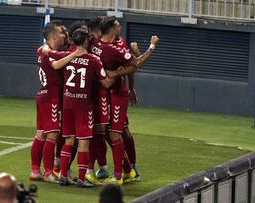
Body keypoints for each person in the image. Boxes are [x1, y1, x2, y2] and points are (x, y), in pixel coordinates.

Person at [95, 16, 159, 185]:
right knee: (107, 131)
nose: (120, 27)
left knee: (120, 131)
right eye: (117, 25)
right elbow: (136, 63)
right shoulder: (97, 45)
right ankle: (122, 169)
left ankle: (128, 170)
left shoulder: (117, 44)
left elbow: (135, 65)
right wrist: (151, 47)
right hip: (104, 93)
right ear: (111, 29)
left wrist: (127, 85)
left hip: (116, 93)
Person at [57, 27, 115, 187]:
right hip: (84, 106)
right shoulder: (93, 60)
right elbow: (106, 82)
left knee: (69, 139)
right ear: (86, 41)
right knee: (84, 141)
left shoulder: (66, 57)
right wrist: (118, 73)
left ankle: (63, 174)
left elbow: (56, 67)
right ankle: (82, 179)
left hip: (68, 103)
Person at [30, 21, 86, 183]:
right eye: (62, 32)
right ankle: (48, 172)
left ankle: (35, 171)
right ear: (53, 36)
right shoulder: (49, 52)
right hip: (52, 98)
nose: (66, 34)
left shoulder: (45, 50)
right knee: (53, 135)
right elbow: (56, 64)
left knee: (41, 134)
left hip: (42, 96)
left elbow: (48, 53)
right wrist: (75, 54)